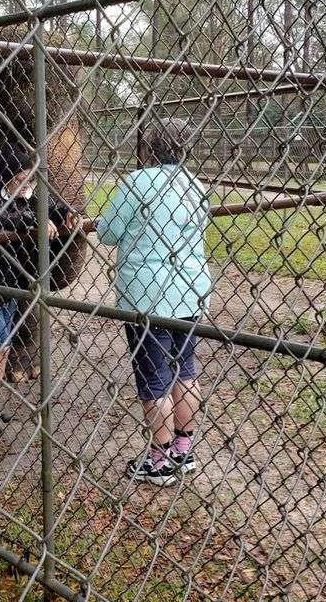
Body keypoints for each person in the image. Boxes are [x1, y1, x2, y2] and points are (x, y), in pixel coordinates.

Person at [95, 117, 212, 486]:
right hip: (191, 289)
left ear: (149, 147)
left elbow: (108, 232)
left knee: (154, 375)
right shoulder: (195, 184)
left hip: (148, 295)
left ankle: (159, 461)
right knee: (186, 368)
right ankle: (183, 449)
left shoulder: (137, 182)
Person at [0, 142, 70, 438]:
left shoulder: (28, 198)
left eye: (30, 179)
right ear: (7, 176)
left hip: (11, 286)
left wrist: (65, 213)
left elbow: (52, 207)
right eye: (21, 178)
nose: (27, 185)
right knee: (1, 347)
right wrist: (35, 220)